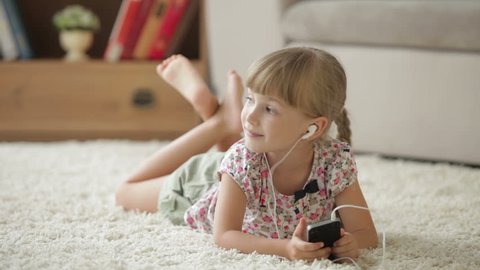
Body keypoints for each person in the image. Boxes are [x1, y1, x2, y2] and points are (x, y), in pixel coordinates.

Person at [115, 47, 378, 262]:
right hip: (199, 185)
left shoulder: (334, 161)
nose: (250, 115)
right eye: (249, 99)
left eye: (270, 109)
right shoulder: (242, 160)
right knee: (125, 192)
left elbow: (366, 232)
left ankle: (222, 119)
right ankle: (218, 124)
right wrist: (285, 248)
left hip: (245, 167)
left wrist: (351, 243)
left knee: (244, 142)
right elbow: (224, 234)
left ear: (313, 127)